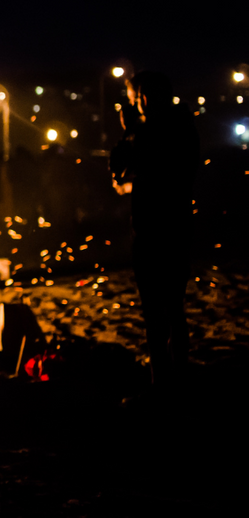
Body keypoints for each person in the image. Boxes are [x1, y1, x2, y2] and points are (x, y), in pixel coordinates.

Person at [114, 71, 198, 388]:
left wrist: (129, 134)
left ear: (146, 96)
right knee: (173, 306)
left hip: (155, 228)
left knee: (156, 310)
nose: (136, 104)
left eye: (137, 98)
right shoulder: (182, 126)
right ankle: (178, 378)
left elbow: (130, 174)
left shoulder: (156, 131)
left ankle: (163, 384)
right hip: (175, 224)